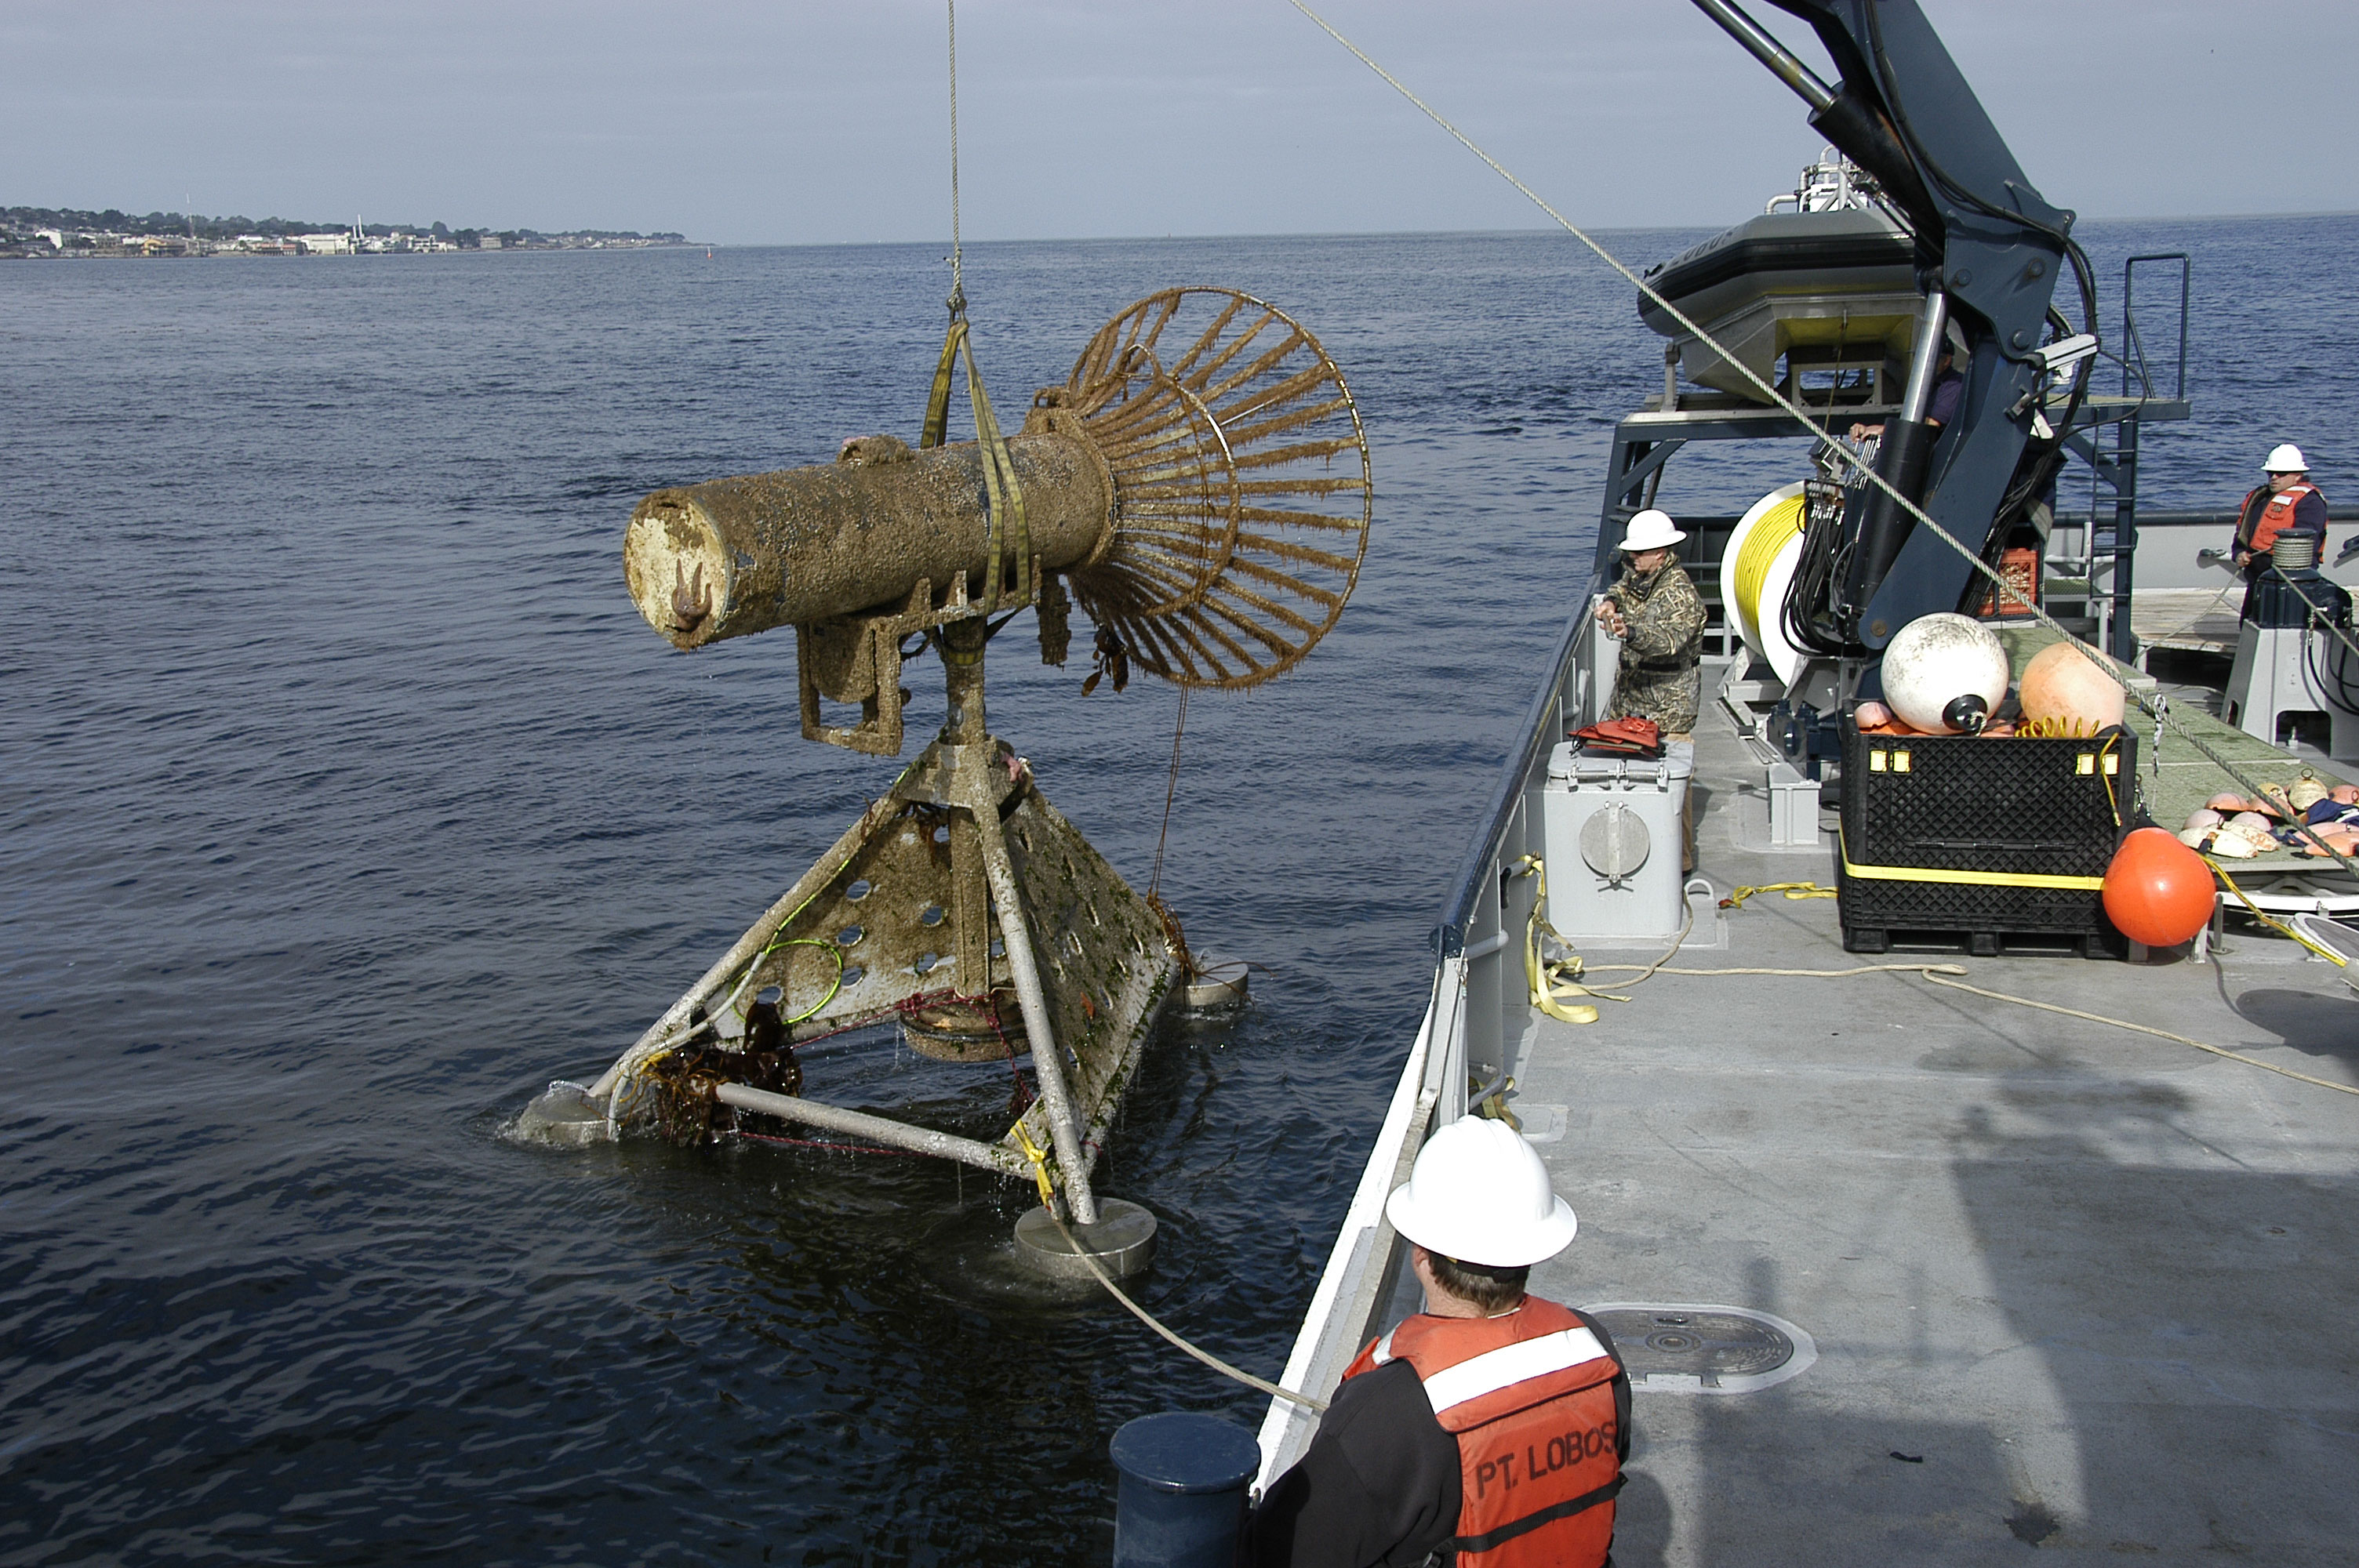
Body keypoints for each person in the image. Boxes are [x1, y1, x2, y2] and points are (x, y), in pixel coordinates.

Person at [1248, 1118, 1631, 1568]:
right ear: (1531, 1251)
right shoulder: (1595, 1352)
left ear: (1421, 1257)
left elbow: (1283, 1552)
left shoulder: (1387, 1416)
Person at [1596, 508, 1707, 738]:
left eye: (1639, 552)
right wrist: (1611, 602)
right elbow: (1623, 587)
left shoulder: (1680, 593)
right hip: (1629, 704)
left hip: (1666, 715)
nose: (1633, 557)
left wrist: (1629, 633)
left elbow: (1668, 642)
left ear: (1660, 553)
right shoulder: (1642, 574)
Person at [2232, 442, 2328, 593]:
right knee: (2252, 616)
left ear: (2298, 475)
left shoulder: (2310, 502)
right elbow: (2242, 534)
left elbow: (2306, 545)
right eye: (2271, 473)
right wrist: (2239, 553)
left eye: (2281, 474)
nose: (2274, 478)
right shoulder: (2259, 498)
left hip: (2290, 581)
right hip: (2258, 578)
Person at [1847, 330, 1965, 445]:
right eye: (1921, 356)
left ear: (1947, 361)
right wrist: (1867, 429)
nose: (1924, 362)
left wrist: (1883, 430)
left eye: (1932, 358)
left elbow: (1930, 425)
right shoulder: (1927, 385)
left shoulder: (1955, 385)